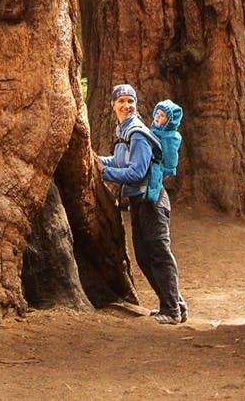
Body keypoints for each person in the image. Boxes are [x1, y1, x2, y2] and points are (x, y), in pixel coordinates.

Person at [96, 84, 187, 324]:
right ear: (113, 105)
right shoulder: (123, 131)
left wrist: (105, 172)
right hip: (140, 201)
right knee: (144, 257)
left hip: (152, 201)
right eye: (121, 101)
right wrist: (95, 160)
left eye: (130, 101)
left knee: (158, 253)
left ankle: (171, 310)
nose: (126, 106)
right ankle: (175, 303)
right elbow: (118, 161)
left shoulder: (137, 133)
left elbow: (137, 172)